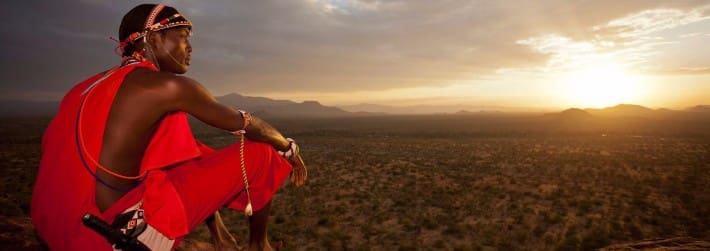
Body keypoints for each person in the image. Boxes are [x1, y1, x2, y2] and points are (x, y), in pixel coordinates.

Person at [30, 4, 307, 251]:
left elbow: (180, 163)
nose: (190, 48)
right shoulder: (169, 87)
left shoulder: (85, 87)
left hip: (56, 227)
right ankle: (260, 245)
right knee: (263, 153)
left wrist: (218, 233)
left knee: (187, 158)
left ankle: (224, 239)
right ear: (153, 39)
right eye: (183, 37)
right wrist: (288, 148)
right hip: (107, 238)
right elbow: (247, 124)